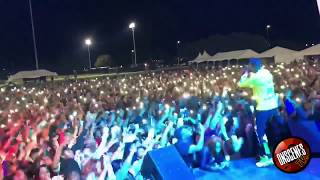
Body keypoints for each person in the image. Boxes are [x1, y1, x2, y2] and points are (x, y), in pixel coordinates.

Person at [238, 58, 282, 167]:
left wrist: (246, 73)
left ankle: (265, 157)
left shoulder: (256, 78)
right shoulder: (267, 73)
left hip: (263, 109)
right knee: (272, 132)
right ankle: (273, 154)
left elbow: (240, 84)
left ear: (253, 66)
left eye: (250, 66)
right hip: (273, 107)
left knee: (261, 134)